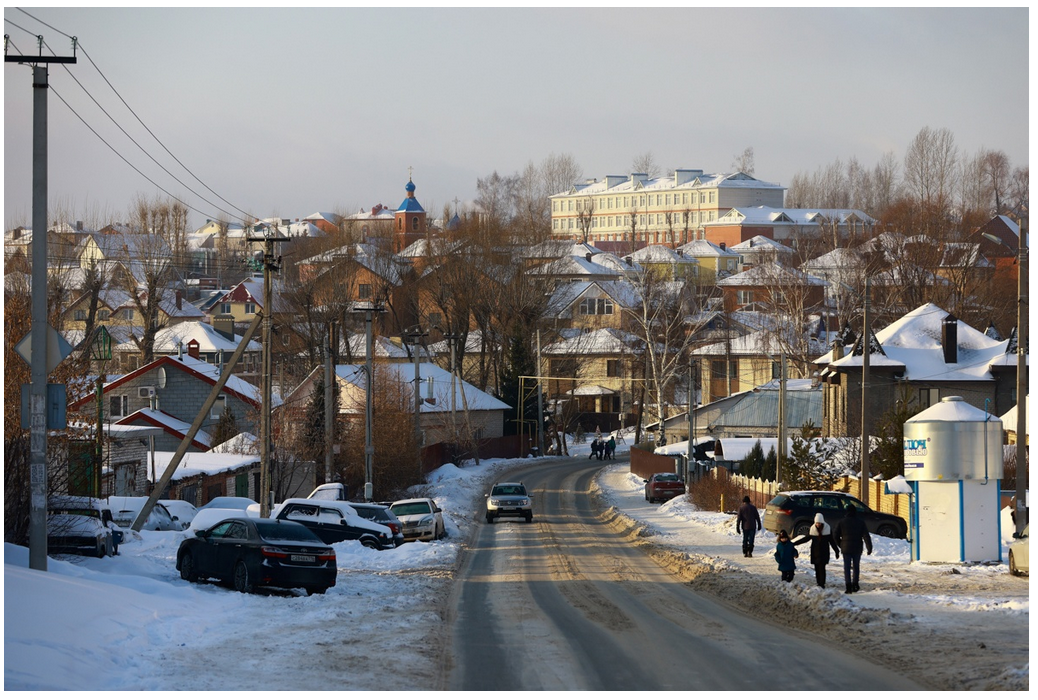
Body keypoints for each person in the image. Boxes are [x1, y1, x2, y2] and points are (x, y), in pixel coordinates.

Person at [792, 513, 841, 588]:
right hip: (815, 552)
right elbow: (806, 538)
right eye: (816, 523)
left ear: (822, 522)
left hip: (824, 552)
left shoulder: (827, 529)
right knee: (817, 568)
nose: (817, 525)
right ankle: (818, 582)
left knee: (822, 568)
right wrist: (795, 543)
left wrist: (836, 551)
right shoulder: (812, 529)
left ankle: (822, 583)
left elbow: (832, 541)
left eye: (819, 523)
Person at [833, 504, 872, 594]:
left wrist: (840, 544)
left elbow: (835, 535)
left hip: (846, 547)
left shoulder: (841, 522)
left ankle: (848, 586)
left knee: (847, 567)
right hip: (857, 547)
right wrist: (869, 547)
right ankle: (855, 584)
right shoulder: (860, 522)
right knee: (856, 566)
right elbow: (866, 536)